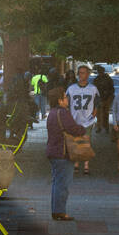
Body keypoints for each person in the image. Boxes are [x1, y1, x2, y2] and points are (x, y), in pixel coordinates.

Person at [46, 88, 87, 221]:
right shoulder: (63, 113)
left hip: (53, 151)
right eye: (65, 97)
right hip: (62, 152)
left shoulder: (52, 113)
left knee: (56, 182)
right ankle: (60, 212)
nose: (67, 99)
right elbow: (73, 128)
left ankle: (56, 210)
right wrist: (82, 129)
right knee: (63, 183)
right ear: (60, 100)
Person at [65, 65, 100, 175]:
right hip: (75, 119)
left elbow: (97, 103)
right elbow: (66, 103)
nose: (81, 75)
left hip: (87, 120)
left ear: (88, 74)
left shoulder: (93, 89)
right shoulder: (71, 88)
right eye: (80, 72)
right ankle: (76, 163)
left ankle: (86, 165)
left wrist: (94, 114)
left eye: (84, 72)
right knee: (76, 142)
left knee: (86, 142)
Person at [93, 66, 115, 134]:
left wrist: (109, 96)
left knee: (104, 113)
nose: (100, 73)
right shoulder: (98, 79)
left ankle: (104, 127)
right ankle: (102, 127)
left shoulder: (106, 79)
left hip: (105, 98)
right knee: (101, 114)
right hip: (101, 98)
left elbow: (111, 89)